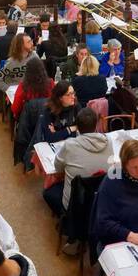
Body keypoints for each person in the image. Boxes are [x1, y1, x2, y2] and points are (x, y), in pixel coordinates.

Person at [45, 106, 111, 252]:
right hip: (99, 200)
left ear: (78, 127)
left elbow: (57, 167)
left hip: (75, 203)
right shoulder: (108, 142)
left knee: (48, 193)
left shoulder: (70, 145)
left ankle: (69, 226)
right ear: (96, 125)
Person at [31, 81, 78, 147]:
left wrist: (58, 133)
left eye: (73, 93)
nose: (73, 97)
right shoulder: (49, 111)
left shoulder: (76, 106)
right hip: (54, 148)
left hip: (72, 145)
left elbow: (82, 128)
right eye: (69, 94)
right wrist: (72, 128)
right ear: (60, 97)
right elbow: (50, 137)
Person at [0, 32, 40, 97]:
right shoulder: (11, 62)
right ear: (21, 45)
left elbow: (40, 74)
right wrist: (9, 90)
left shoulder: (34, 56)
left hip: (30, 89)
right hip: (15, 91)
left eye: (31, 41)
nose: (32, 43)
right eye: (29, 42)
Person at [11, 55, 53, 120]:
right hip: (46, 119)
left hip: (28, 121)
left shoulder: (24, 86)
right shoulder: (50, 83)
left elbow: (15, 109)